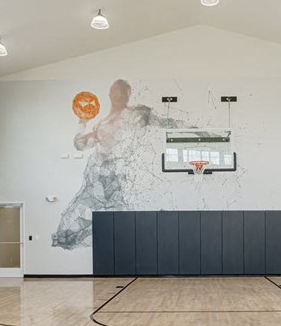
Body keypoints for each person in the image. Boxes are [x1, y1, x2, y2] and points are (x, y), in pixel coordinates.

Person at [52, 79, 186, 249]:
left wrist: (190, 130)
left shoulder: (136, 115)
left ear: (128, 95)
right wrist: (82, 122)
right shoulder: (102, 124)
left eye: (122, 92)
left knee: (125, 228)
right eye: (115, 91)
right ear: (110, 94)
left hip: (118, 181)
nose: (118, 95)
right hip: (95, 183)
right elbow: (80, 145)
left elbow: (164, 122)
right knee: (64, 235)